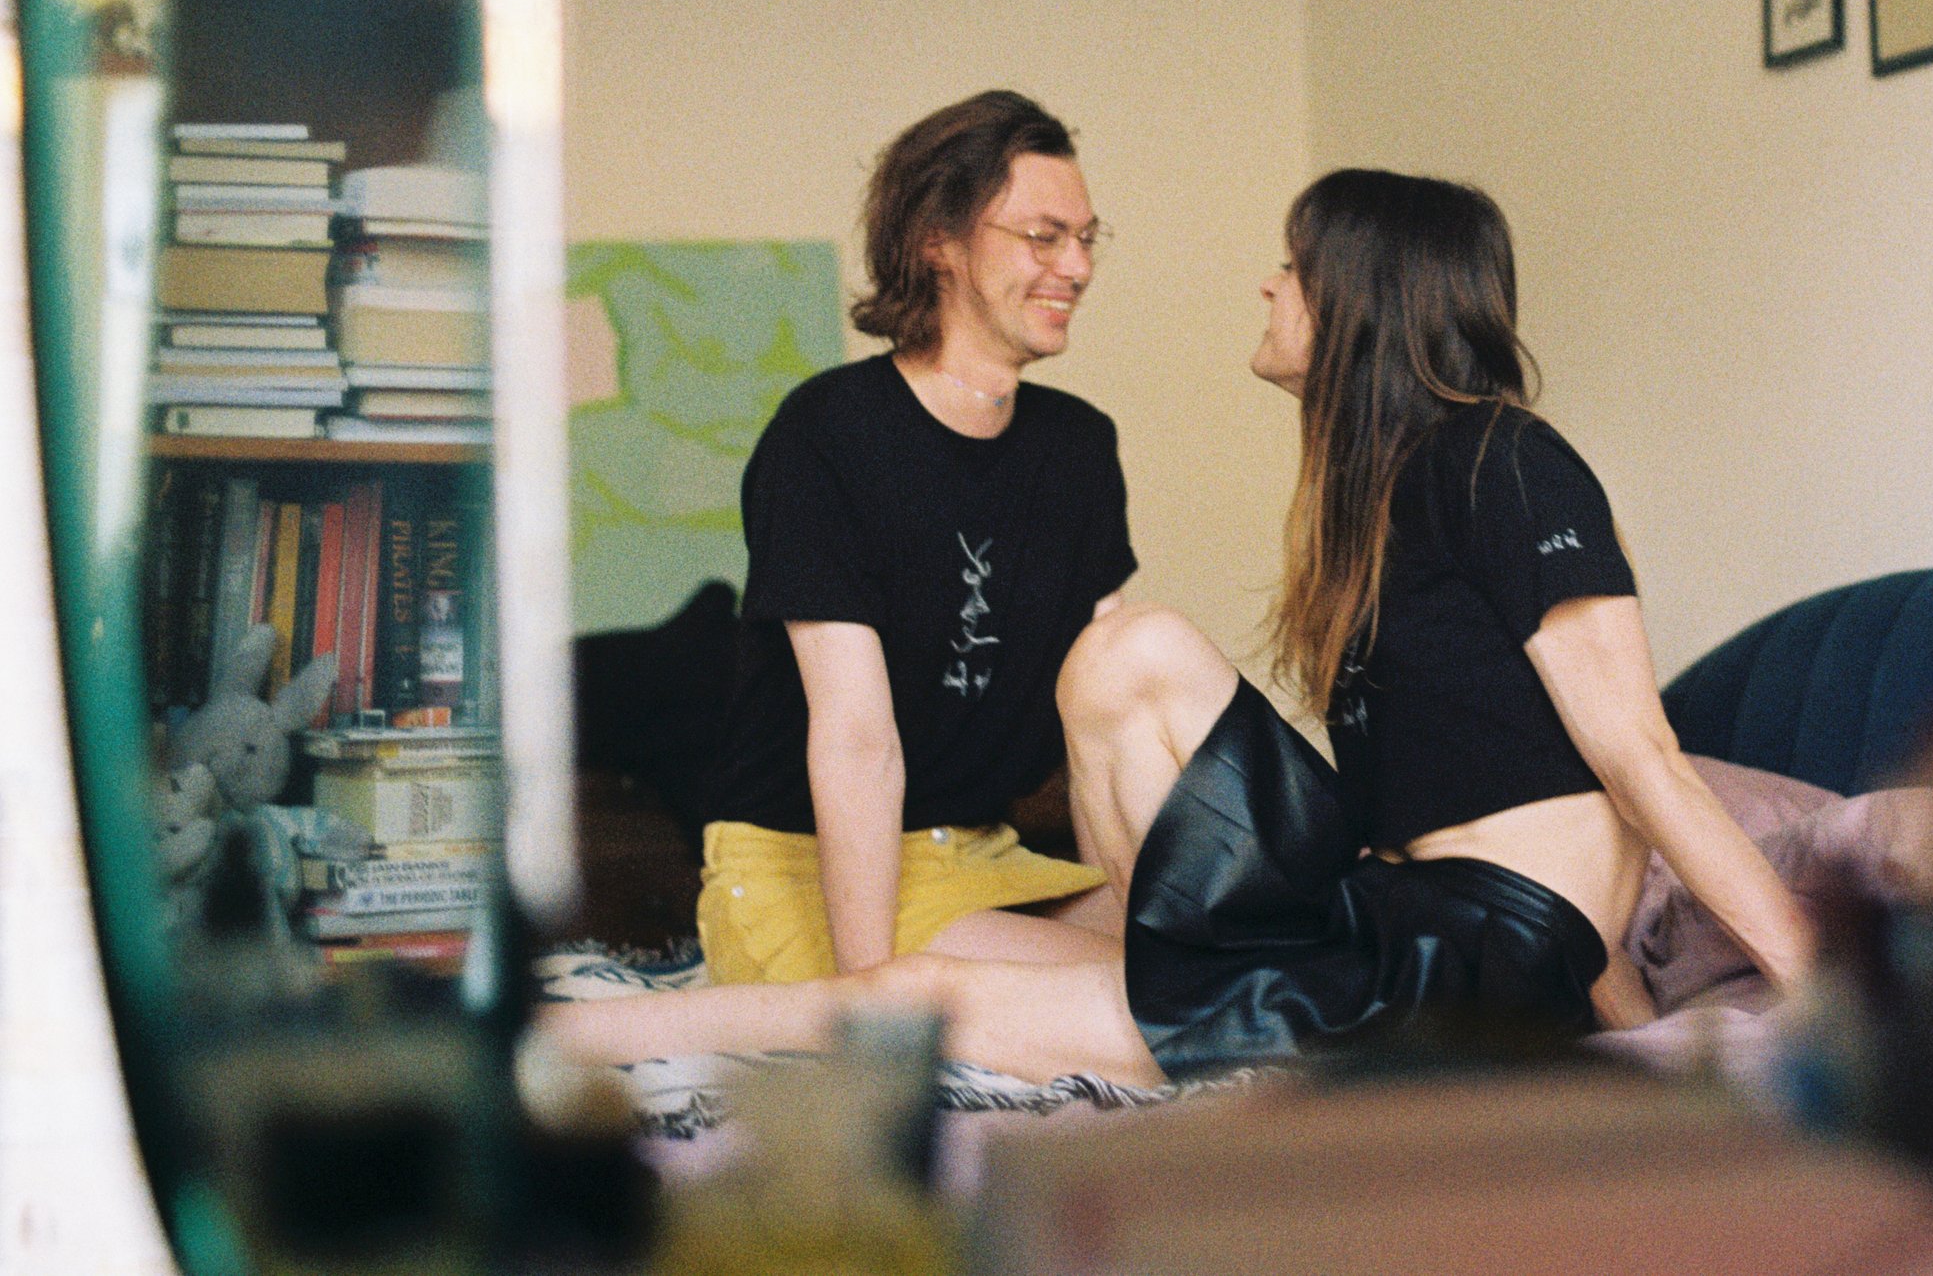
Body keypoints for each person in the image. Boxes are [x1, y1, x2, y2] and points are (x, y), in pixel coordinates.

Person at [552, 168, 1813, 1085]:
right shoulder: (1381, 500)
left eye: (1294, 266)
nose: (1269, 282)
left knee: (927, 997)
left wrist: (1807, 1001)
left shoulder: (1505, 461)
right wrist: (1616, 1010)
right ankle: (541, 1035)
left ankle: (554, 1038)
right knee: (1128, 654)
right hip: (1395, 915)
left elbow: (1637, 763)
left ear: (1360, 295)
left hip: (1456, 956)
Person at [696, 89, 1136, 987]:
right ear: (939, 239)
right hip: (805, 872)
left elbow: (1101, 724)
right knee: (1147, 996)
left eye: (1088, 238)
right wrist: (872, 992)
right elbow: (857, 742)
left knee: (1218, 959)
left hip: (984, 864)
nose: (1078, 266)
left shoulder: (1080, 447)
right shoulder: (827, 432)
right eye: (1044, 236)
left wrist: (1123, 911)